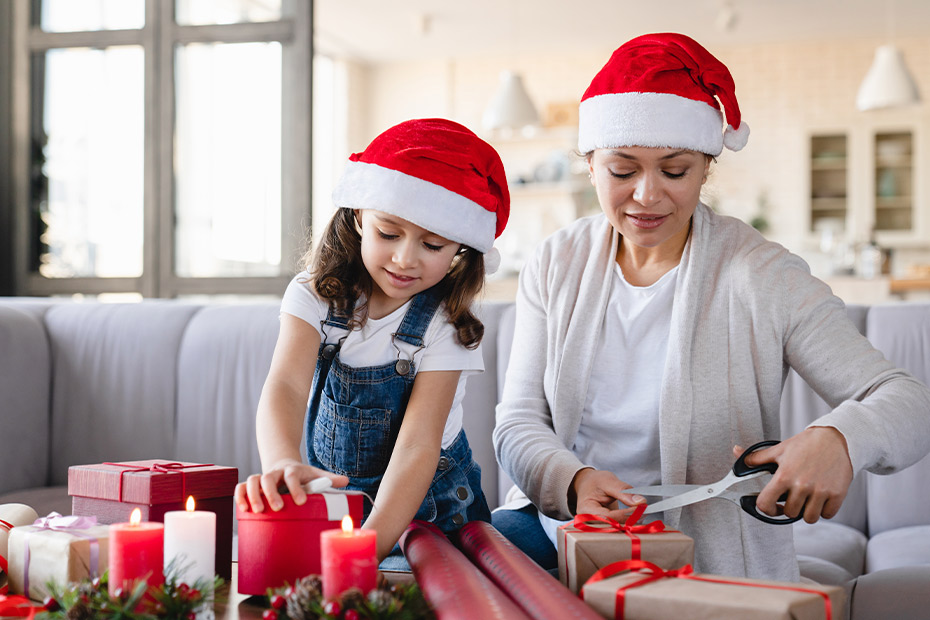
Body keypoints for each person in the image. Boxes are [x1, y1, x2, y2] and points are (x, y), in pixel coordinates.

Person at [491, 32, 930, 582]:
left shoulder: (763, 274)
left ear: (705, 168)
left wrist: (841, 438)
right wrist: (572, 480)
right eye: (622, 170)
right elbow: (518, 420)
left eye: (674, 171)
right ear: (590, 165)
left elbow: (908, 402)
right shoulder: (556, 262)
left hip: (703, 556)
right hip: (561, 531)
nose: (647, 196)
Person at [235, 118, 510, 569]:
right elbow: (285, 385)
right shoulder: (313, 294)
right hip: (343, 511)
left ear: (461, 248)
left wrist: (369, 549)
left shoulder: (447, 325)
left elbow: (418, 446)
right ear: (359, 215)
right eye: (389, 233)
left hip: (432, 515)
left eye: (433, 244)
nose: (405, 258)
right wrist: (282, 463)